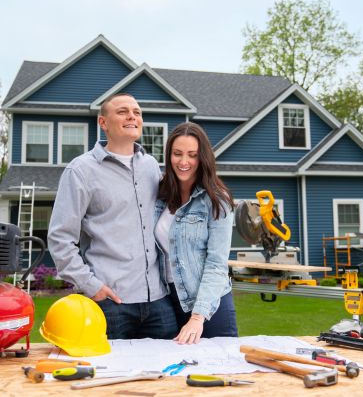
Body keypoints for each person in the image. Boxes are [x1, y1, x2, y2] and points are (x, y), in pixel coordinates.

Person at [48, 93, 178, 340]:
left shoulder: (150, 165)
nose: (132, 116)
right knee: (110, 373)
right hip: (109, 302)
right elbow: (60, 238)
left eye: (137, 112)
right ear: (103, 123)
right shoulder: (81, 171)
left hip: (158, 301)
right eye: (122, 111)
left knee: (167, 376)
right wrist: (91, 286)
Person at [155, 122, 238, 344]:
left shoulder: (216, 200)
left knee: (222, 371)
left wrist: (198, 316)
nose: (184, 162)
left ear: (203, 158)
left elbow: (216, 263)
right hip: (169, 301)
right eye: (177, 154)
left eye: (192, 155)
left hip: (210, 307)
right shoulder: (161, 194)